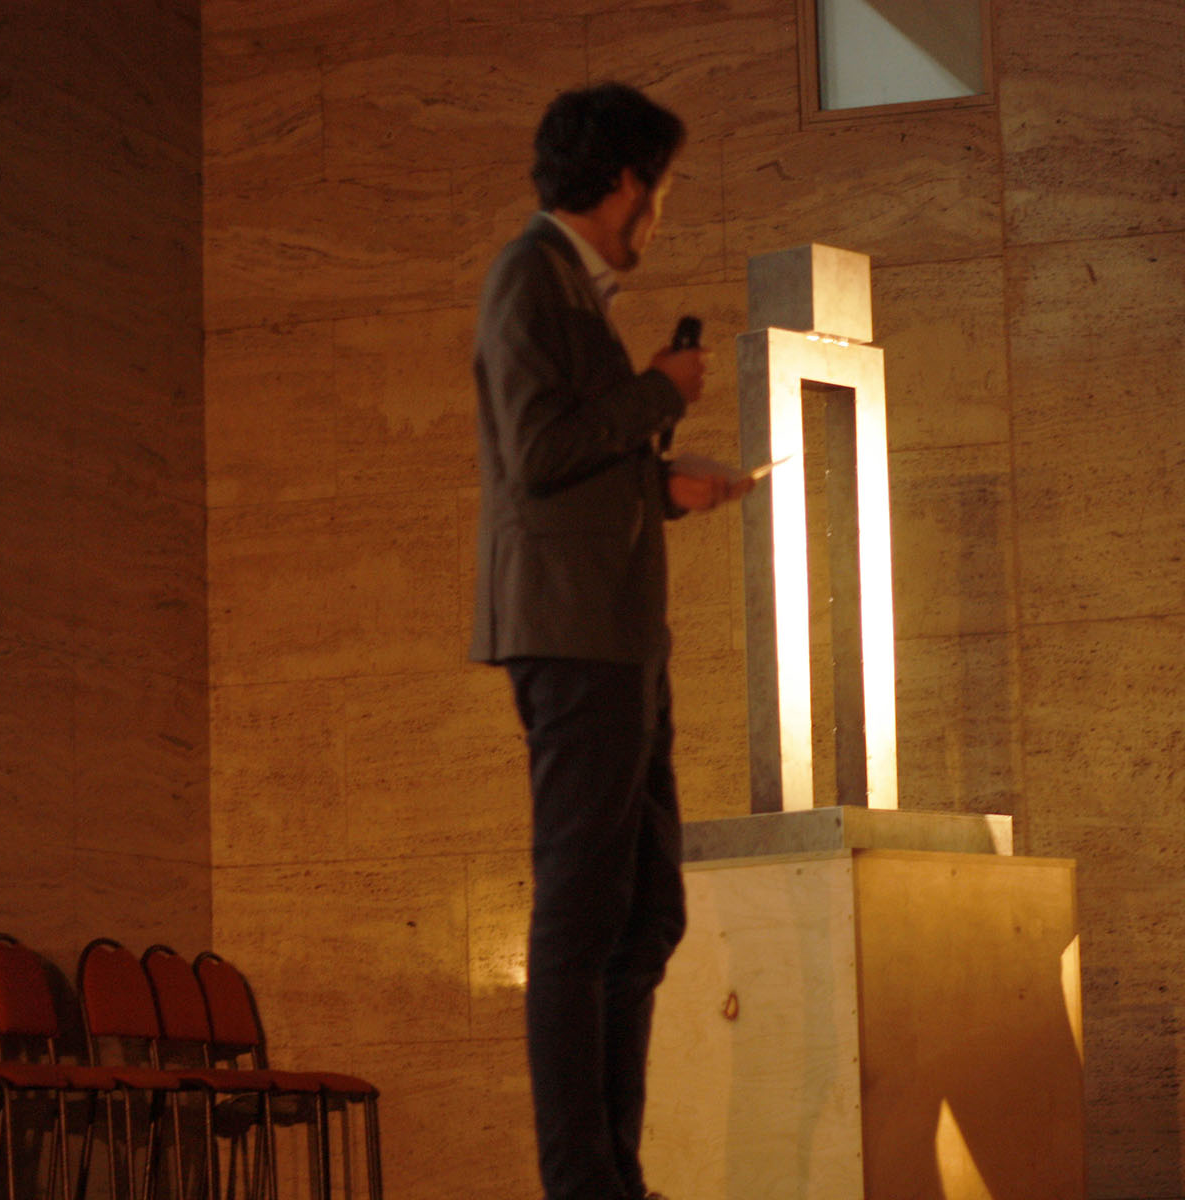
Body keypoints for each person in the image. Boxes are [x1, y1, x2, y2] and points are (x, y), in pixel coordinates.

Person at [471, 83, 751, 1200]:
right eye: (662, 189)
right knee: (582, 917)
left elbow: (571, 465)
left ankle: (611, 1175)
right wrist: (657, 393)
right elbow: (537, 452)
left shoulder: (564, 287)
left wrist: (660, 487)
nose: (660, 215)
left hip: (618, 634)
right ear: (629, 181)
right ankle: (583, 1183)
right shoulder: (528, 276)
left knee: (646, 913)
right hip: (574, 634)